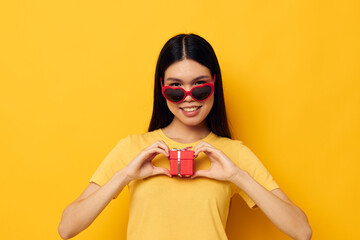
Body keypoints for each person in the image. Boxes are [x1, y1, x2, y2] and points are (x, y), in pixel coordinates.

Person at [58, 33, 312, 240]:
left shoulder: (232, 155)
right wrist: (125, 174)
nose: (189, 97)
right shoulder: (133, 148)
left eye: (200, 86)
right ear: (162, 89)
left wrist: (237, 176)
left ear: (214, 83)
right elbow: (67, 228)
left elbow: (302, 231)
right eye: (176, 87)